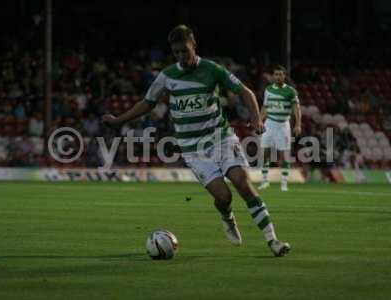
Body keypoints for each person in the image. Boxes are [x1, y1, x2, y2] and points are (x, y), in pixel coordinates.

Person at [102, 25, 290, 256]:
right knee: (224, 196)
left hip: (220, 138)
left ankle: (273, 241)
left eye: (185, 51)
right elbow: (147, 103)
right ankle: (226, 215)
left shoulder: (212, 70)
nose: (181, 56)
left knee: (243, 183)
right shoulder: (167, 76)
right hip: (193, 149)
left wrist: (256, 119)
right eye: (177, 52)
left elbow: (246, 93)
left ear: (194, 45)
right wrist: (120, 119)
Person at [258, 65, 302, 191]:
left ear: (284, 76)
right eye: (276, 74)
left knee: (284, 154)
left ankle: (284, 183)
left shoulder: (290, 91)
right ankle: (265, 180)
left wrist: (298, 124)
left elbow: (296, 109)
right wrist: (260, 121)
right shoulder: (268, 90)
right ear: (273, 76)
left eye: (280, 74)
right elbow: (265, 107)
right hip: (269, 124)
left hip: (283, 125)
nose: (278, 77)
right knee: (265, 152)